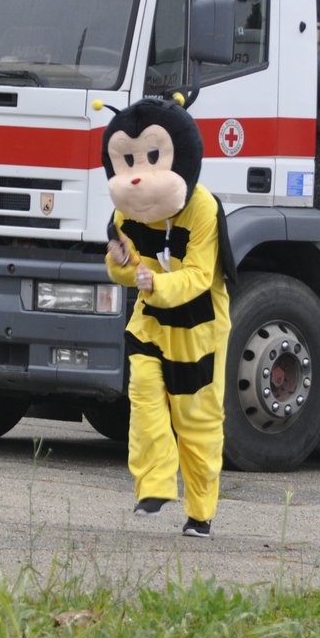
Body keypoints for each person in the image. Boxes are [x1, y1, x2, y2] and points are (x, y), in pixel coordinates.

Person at [102, 97, 229, 538]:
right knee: (143, 396)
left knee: (197, 423)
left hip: (199, 332)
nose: (140, 174)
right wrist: (121, 262)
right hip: (150, 325)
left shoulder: (204, 210)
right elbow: (123, 267)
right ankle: (153, 487)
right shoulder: (127, 210)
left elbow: (198, 275)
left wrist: (155, 283)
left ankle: (200, 512)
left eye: (153, 156)